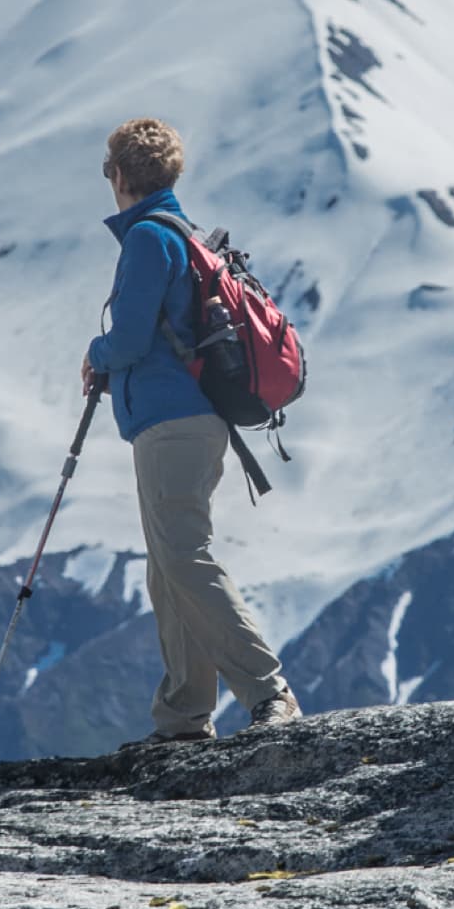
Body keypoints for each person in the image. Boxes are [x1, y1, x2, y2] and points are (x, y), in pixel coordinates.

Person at [84, 118, 302, 741]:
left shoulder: (149, 239)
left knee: (183, 556)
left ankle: (268, 690)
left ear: (121, 175)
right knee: (167, 564)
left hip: (169, 419)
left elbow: (127, 339)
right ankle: (183, 715)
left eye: (108, 171)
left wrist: (95, 355)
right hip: (195, 419)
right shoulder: (181, 233)